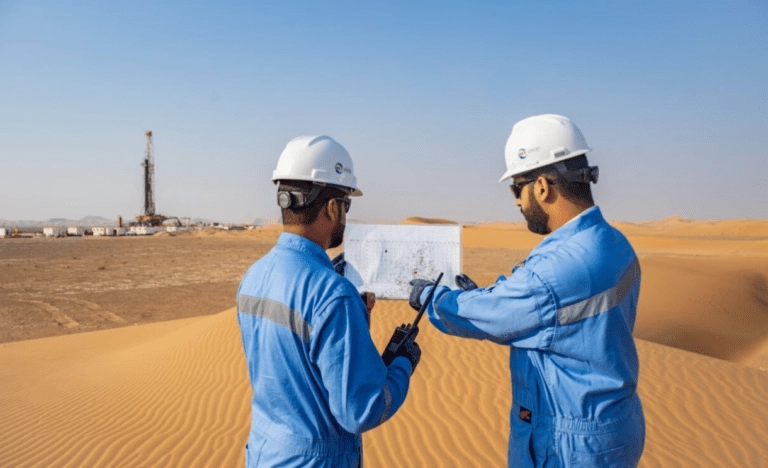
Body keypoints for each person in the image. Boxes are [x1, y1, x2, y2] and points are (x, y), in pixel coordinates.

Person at [409, 115, 645, 467]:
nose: (517, 202)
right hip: (614, 425)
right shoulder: (613, 243)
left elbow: (496, 316)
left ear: (542, 187)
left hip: (570, 442)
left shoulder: (559, 266)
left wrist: (434, 298)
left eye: (516, 188)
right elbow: (548, 310)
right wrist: (491, 298)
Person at [237, 135, 421, 467]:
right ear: (333, 207)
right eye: (346, 205)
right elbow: (361, 410)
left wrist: (352, 323)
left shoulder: (255, 275)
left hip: (266, 453)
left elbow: (293, 366)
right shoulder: (334, 296)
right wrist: (402, 363)